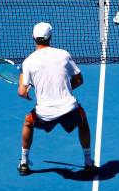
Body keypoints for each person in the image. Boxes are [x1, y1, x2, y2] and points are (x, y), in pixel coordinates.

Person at [17, 22, 96, 175]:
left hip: (44, 113)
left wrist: (23, 86)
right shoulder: (64, 54)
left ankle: (24, 163)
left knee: (28, 122)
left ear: (33, 38)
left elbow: (21, 92)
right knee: (83, 120)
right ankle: (88, 163)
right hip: (68, 108)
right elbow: (79, 80)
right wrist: (62, 88)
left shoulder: (28, 62)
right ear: (50, 37)